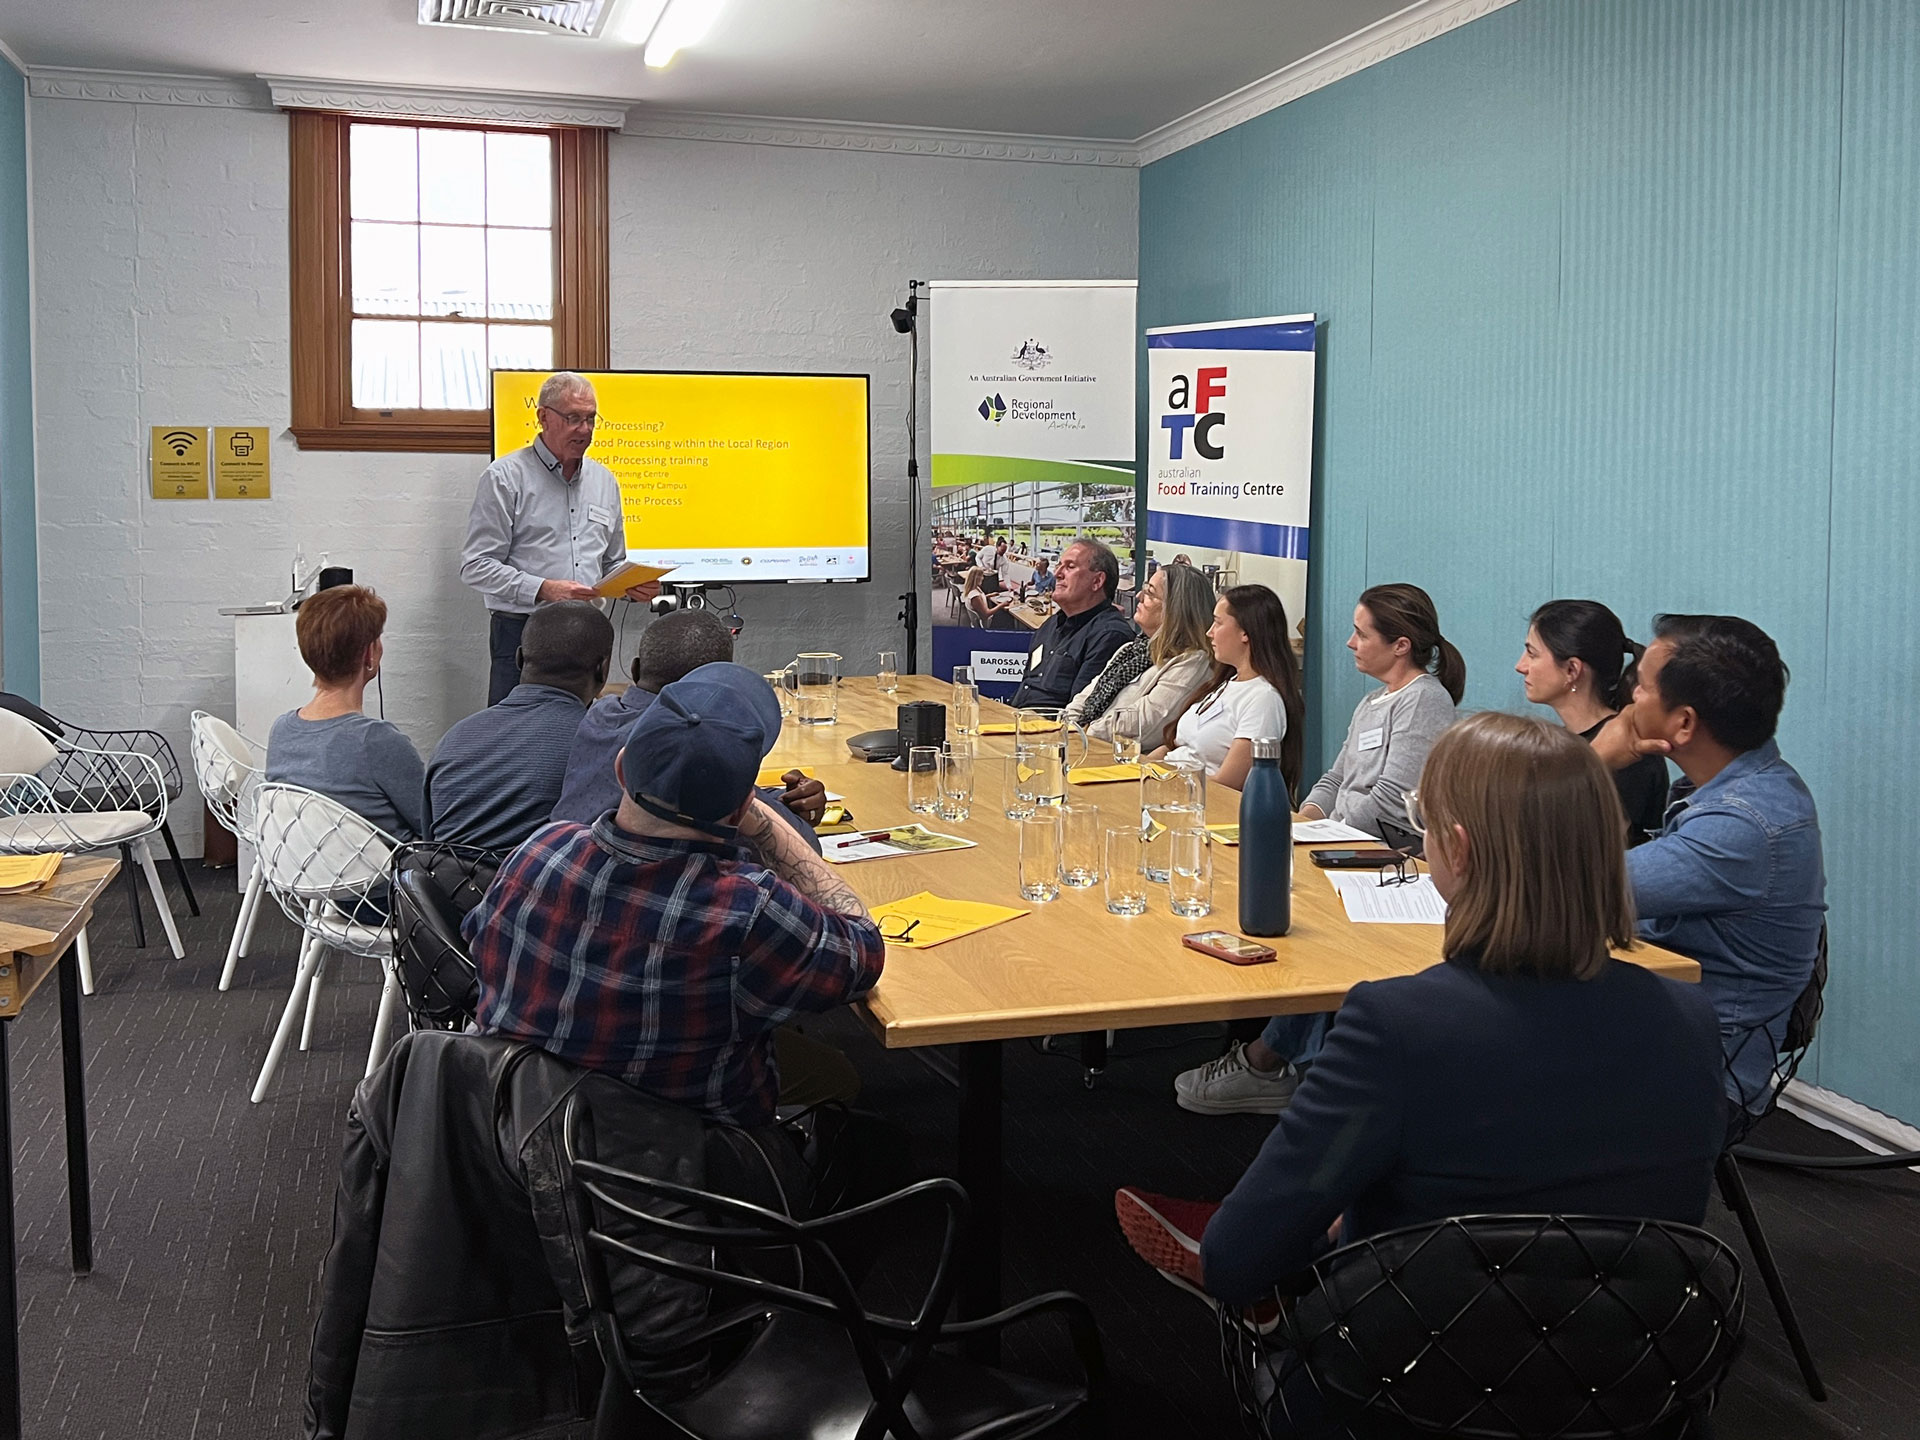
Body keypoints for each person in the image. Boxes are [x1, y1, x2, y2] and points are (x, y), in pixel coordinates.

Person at [1115, 713, 1725, 1419]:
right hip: (1634, 1391)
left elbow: (1231, 1262)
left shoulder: (1394, 1027)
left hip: (1403, 1392)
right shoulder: (1691, 1022)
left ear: (1456, 851)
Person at [465, 663, 885, 1127]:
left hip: (517, 1135)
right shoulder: (748, 913)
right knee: (841, 1074)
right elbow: (863, 948)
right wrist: (764, 823)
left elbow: (478, 938)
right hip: (684, 1171)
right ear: (744, 806)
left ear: (621, 769)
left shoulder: (540, 851)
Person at [1173, 583, 1462, 1114]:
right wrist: (1303, 820)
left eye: (1361, 632)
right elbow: (1333, 778)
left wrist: (1321, 832)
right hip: (1342, 845)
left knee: (1309, 927)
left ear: (1400, 645)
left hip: (1387, 857)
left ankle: (1273, 1062)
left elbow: (1395, 805)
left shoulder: (1425, 701)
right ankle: (1279, 1057)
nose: (1349, 643)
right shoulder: (1376, 700)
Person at [1591, 614, 1825, 1109]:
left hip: (1696, 1079)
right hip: (1658, 1026)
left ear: (1684, 722)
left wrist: (1592, 762)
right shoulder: (1753, 785)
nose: (1631, 697)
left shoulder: (1742, 824)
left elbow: (1565, 886)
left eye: (1644, 687)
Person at [460, 372, 659, 707]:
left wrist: (631, 586)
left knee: (579, 736)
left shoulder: (604, 481)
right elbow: (476, 566)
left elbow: (610, 562)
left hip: (587, 633)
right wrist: (543, 588)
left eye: (590, 419)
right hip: (523, 634)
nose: (584, 429)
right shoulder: (505, 477)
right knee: (515, 739)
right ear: (543, 417)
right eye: (573, 418)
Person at [551, 608, 826, 845]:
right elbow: (802, 844)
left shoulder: (601, 714)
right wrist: (792, 814)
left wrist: (776, 800)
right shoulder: (685, 741)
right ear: (719, 681)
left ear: (635, 670)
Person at [421, 601, 614, 852]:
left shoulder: (454, 737)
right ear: (603, 669)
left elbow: (428, 841)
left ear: (519, 658)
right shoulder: (598, 743)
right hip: (537, 888)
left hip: (443, 888)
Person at [266, 585, 425, 841]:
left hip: (298, 876)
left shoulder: (281, 729)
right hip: (382, 878)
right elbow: (432, 824)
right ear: (369, 653)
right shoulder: (379, 741)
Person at [1517, 599, 1669, 843]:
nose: (1520, 666)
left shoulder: (1630, 754)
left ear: (1572, 671)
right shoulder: (1554, 742)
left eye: (1532, 654)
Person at [1151, 584, 1304, 794]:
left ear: (1245, 633)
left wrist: (1164, 781)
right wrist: (1138, 772)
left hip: (1198, 799)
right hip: (1168, 786)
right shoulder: (1223, 683)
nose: (1209, 633)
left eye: (1217, 623)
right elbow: (1172, 747)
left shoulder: (1263, 700)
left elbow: (1228, 783)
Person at [1063, 561, 1213, 741]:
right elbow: (1086, 697)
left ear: (1175, 610)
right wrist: (1067, 725)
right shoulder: (1130, 650)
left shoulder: (1191, 662)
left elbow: (1146, 723)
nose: (1139, 595)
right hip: (1082, 742)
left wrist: (1085, 732)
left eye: (1150, 593)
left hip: (1122, 758)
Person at [1009, 537, 1136, 709]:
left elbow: (1082, 714)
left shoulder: (1110, 636)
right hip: (1017, 722)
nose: (1057, 574)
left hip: (1053, 732)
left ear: (1097, 581)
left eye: (1070, 567)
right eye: (1059, 565)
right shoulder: (1050, 625)